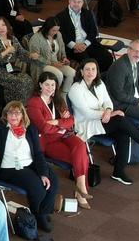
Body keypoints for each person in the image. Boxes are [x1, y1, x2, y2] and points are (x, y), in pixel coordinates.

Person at [0, 102, 60, 232]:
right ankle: (39, 215)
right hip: (9, 168)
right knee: (38, 187)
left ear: (22, 115)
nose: (13, 116)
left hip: (29, 163)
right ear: (5, 114)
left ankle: (43, 211)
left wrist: (43, 173)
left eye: (17, 113)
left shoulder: (30, 129)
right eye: (10, 113)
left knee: (53, 181)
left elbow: (37, 153)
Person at [26, 72, 94, 208]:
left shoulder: (58, 99)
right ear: (40, 85)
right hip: (48, 142)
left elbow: (71, 120)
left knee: (80, 145)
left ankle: (80, 188)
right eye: (47, 84)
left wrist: (56, 122)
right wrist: (62, 125)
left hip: (65, 135)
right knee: (82, 158)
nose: (50, 88)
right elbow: (44, 128)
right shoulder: (34, 103)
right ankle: (81, 191)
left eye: (53, 84)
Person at [0, 17, 35, 105]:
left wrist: (30, 55)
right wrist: (7, 51)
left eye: (3, 25)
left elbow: (22, 53)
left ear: (7, 26)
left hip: (11, 68)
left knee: (28, 80)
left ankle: (23, 106)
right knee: (20, 82)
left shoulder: (13, 39)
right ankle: (14, 106)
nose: (1, 28)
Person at [28, 16, 75, 93]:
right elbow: (36, 57)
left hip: (56, 62)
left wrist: (64, 57)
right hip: (41, 65)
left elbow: (62, 47)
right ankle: (54, 94)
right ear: (47, 28)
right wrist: (52, 63)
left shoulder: (58, 34)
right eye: (53, 30)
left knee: (72, 73)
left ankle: (64, 93)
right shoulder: (36, 38)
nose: (55, 32)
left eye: (57, 30)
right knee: (58, 74)